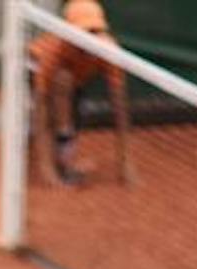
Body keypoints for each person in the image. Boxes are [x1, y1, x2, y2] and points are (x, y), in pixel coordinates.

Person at [29, 0, 134, 188]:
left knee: (69, 113)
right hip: (34, 66)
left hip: (76, 79)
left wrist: (125, 162)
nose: (89, 37)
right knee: (61, 90)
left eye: (94, 31)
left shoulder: (110, 51)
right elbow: (41, 108)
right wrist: (47, 170)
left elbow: (120, 107)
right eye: (84, 31)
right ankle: (56, 160)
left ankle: (62, 155)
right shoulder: (53, 51)